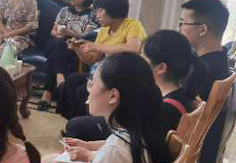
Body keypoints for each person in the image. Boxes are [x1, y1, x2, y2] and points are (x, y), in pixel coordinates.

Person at [63, 29, 206, 142]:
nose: (139, 60)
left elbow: (132, 143)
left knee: (77, 125)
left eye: (143, 56)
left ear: (161, 68)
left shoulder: (165, 109)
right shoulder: (175, 94)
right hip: (127, 142)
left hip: (128, 151)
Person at [58, 0, 147, 120]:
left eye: (100, 11)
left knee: (82, 91)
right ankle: (72, 122)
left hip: (125, 78)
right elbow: (93, 60)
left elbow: (132, 49)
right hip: (107, 75)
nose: (97, 15)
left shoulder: (132, 25)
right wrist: (77, 49)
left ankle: (91, 124)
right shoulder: (104, 30)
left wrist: (96, 46)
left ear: (113, 10)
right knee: (72, 80)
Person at [178, 0, 231, 163]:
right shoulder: (219, 60)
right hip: (201, 149)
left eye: (183, 23)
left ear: (203, 29)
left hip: (179, 143)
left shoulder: (204, 70)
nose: (180, 28)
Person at [38, 0, 99, 110]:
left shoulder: (93, 15)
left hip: (76, 46)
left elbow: (87, 36)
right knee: (62, 42)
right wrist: (61, 34)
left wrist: (69, 33)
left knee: (62, 46)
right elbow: (53, 32)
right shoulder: (64, 10)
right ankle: (60, 78)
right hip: (57, 43)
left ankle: (48, 92)